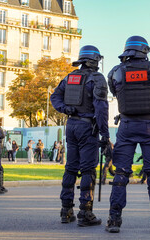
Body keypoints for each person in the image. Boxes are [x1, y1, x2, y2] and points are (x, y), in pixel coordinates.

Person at [106, 36, 150, 234]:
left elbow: (116, 93)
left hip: (126, 125)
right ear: (145, 51)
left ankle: (114, 220)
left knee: (121, 173)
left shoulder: (115, 71)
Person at [51, 45, 109, 227]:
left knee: (70, 168)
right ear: (94, 61)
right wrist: (105, 134)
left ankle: (66, 211)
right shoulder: (97, 79)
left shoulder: (70, 77)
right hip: (87, 128)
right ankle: (85, 212)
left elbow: (55, 97)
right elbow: (101, 109)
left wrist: (65, 109)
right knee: (87, 170)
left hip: (71, 125)